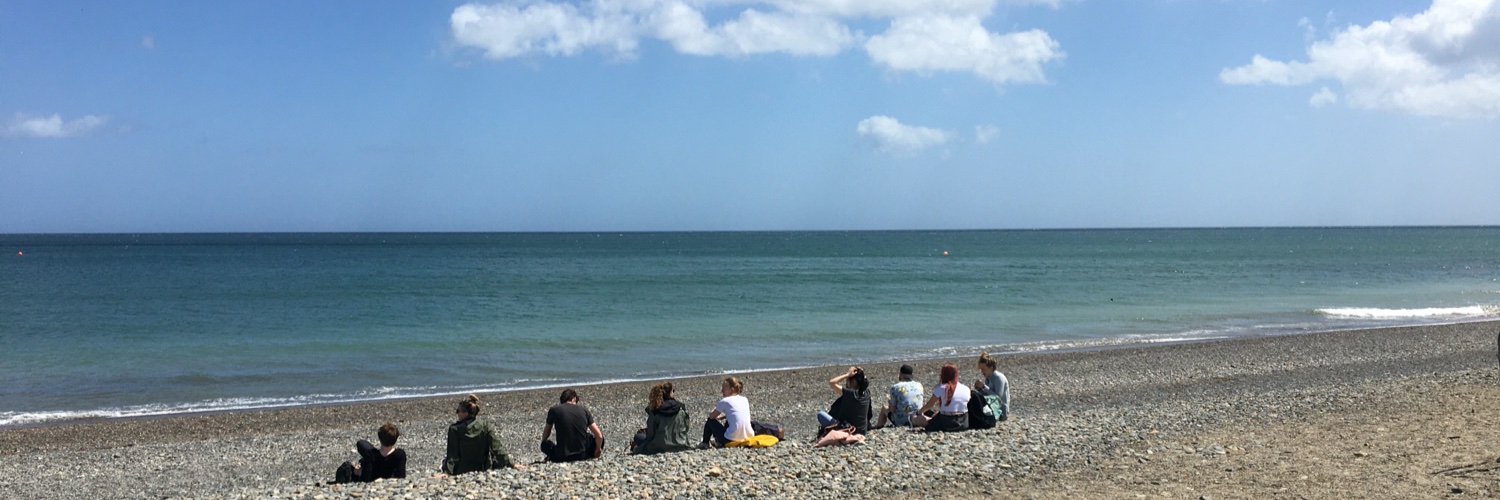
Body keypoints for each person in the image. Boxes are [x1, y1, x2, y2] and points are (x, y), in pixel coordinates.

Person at [439, 394, 522, 477]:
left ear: (465, 413)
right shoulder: (485, 426)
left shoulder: (454, 429)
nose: (457, 413)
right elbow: (497, 448)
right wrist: (512, 464)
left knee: (444, 461)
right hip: (482, 468)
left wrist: (446, 473)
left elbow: (452, 455)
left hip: (461, 469)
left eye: (458, 411)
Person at [541, 388, 605, 462]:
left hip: (561, 456)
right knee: (595, 439)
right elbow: (599, 435)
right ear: (573, 399)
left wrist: (543, 443)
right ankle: (591, 455)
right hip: (581, 455)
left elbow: (547, 431)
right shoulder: (584, 410)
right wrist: (598, 449)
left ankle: (553, 457)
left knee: (545, 445)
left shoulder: (554, 410)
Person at [631, 382, 693, 455]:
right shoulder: (681, 408)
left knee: (638, 436)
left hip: (659, 447)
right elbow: (686, 428)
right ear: (670, 393)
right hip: (681, 443)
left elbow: (650, 435)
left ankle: (636, 449)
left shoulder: (655, 410)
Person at [333, 422, 407, 483]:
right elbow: (401, 477)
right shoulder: (400, 454)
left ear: (380, 438)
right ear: (395, 439)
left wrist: (359, 472)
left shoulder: (371, 455)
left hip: (373, 474)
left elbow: (365, 480)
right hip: (387, 473)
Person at [909, 363, 970, 432]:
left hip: (946, 423)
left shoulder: (942, 387)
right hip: (963, 422)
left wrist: (918, 413)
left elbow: (929, 405)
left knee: (917, 419)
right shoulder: (966, 388)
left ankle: (913, 419)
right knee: (935, 415)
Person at [816, 366, 872, 436]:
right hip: (862, 431)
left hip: (849, 431)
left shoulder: (851, 394)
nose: (846, 382)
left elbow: (832, 382)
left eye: (847, 380)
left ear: (853, 381)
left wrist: (847, 374)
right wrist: (861, 373)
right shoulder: (867, 393)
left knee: (820, 414)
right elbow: (869, 415)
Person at [700, 377, 754, 449]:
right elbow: (737, 414)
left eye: (724, 388)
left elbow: (711, 417)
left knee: (710, 421)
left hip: (730, 440)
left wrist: (712, 412)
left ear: (731, 390)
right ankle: (717, 441)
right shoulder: (744, 399)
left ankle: (705, 443)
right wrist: (723, 416)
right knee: (729, 422)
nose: (722, 390)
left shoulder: (725, 401)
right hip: (748, 436)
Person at [872, 364, 924, 429]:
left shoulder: (895, 387)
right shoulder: (919, 385)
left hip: (902, 420)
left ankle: (879, 427)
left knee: (884, 408)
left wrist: (890, 401)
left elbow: (892, 410)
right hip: (917, 418)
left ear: (900, 374)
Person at [973, 352, 1011, 421]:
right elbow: (987, 395)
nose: (982, 371)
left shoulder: (998, 378)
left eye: (983, 369)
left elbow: (997, 398)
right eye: (981, 369)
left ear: (991, 368)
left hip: (1001, 412)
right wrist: (979, 389)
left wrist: (983, 387)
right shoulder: (988, 378)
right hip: (992, 407)